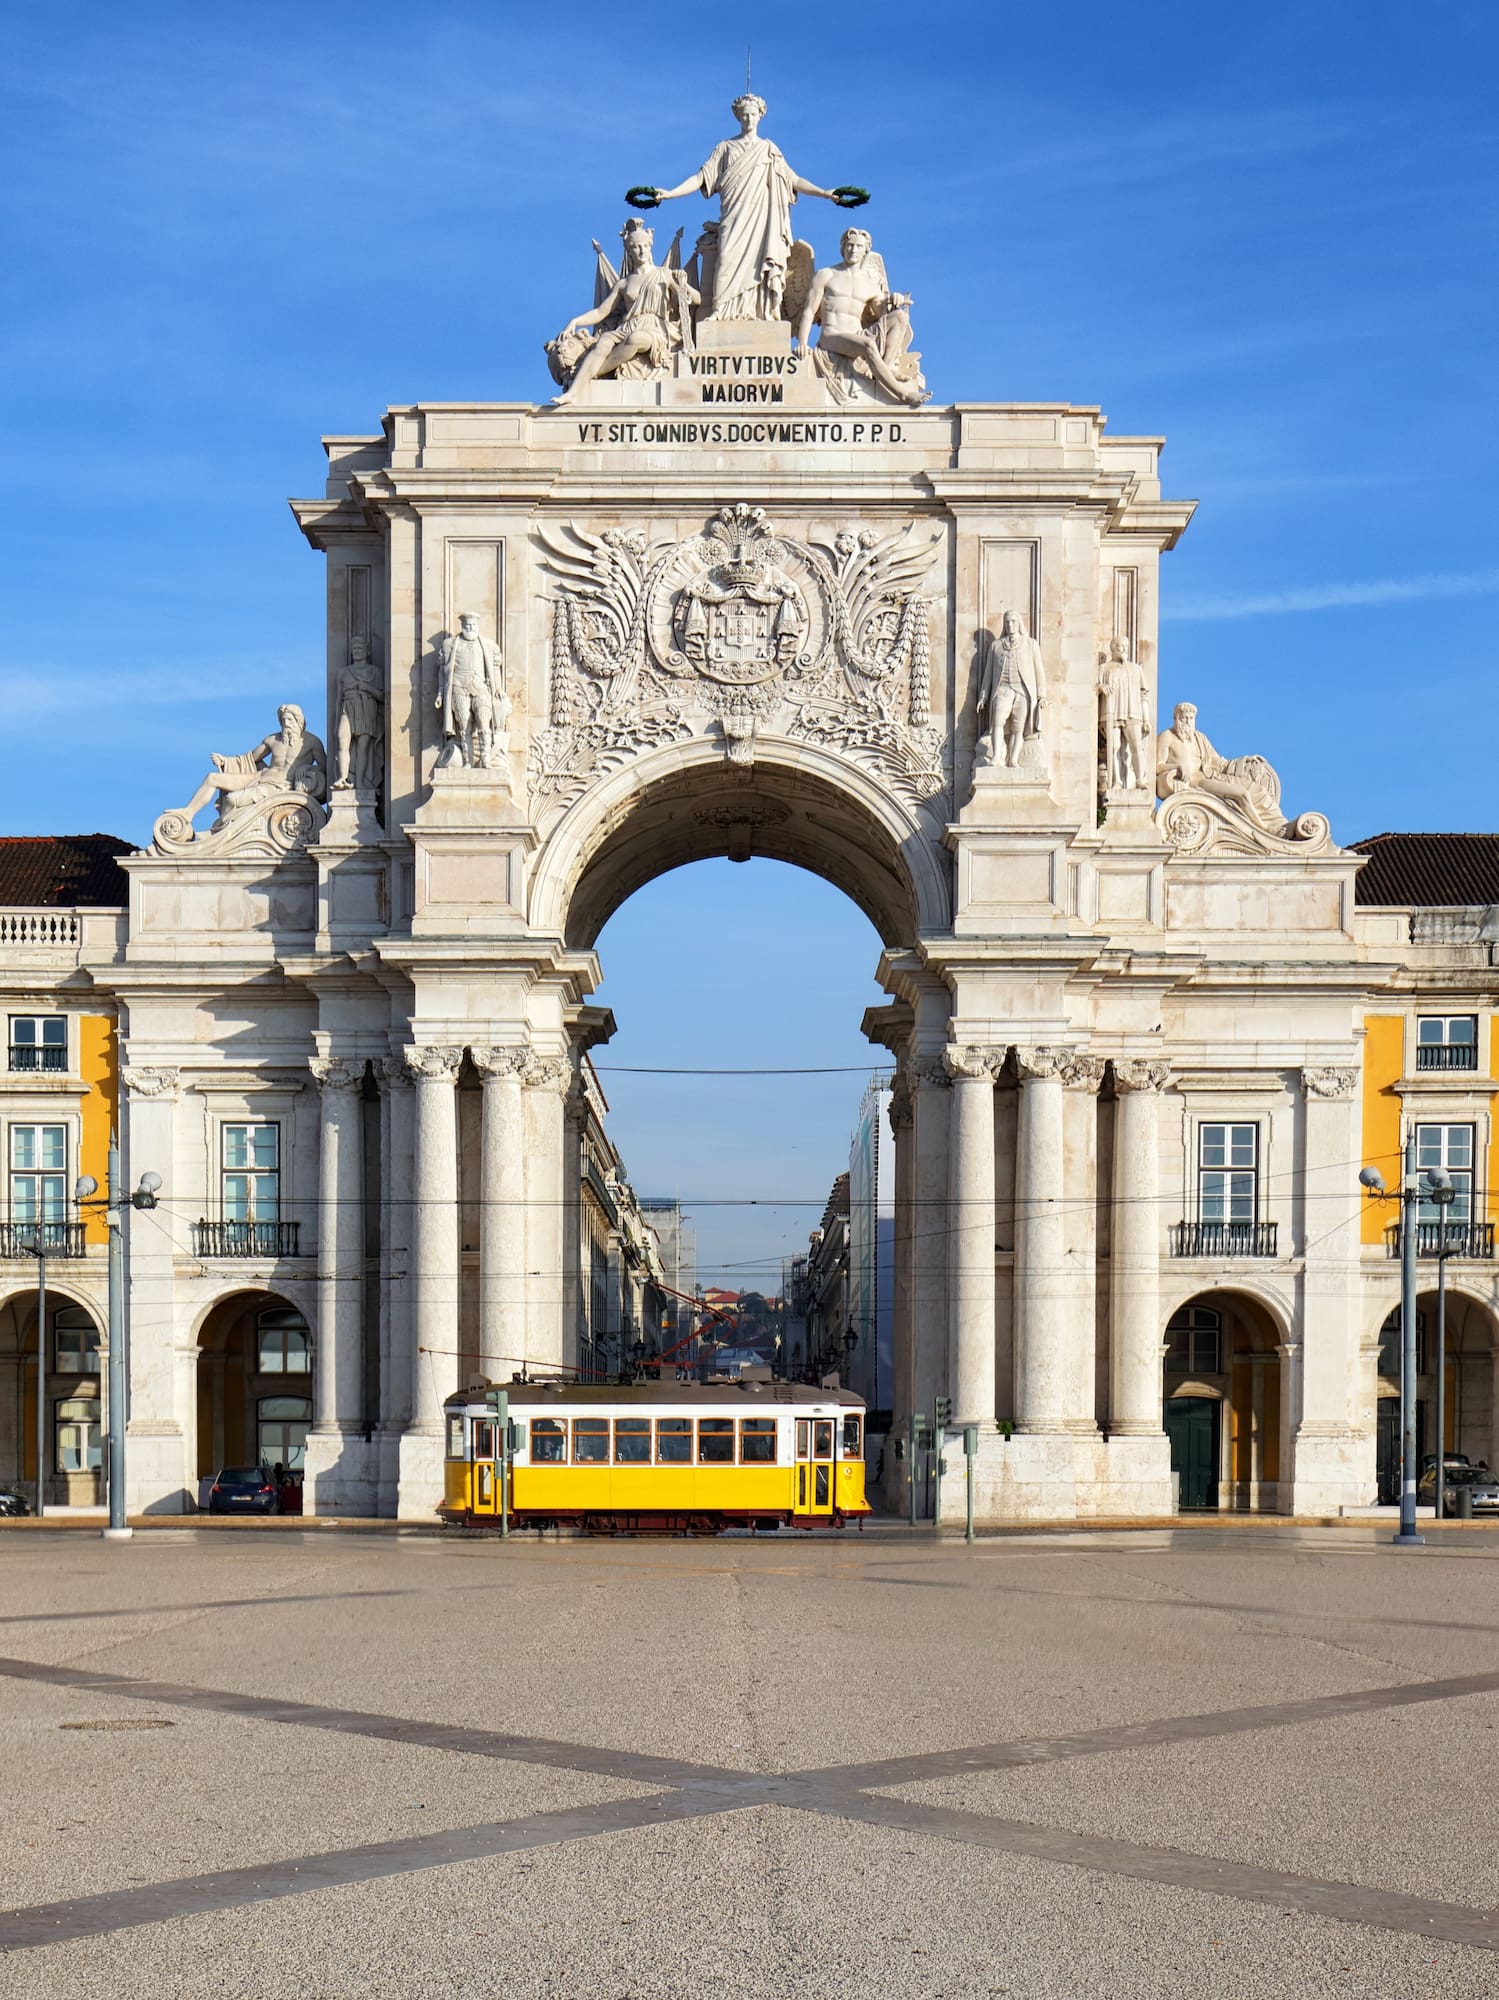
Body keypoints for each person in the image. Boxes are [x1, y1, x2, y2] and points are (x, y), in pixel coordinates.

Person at [643, 94, 841, 321]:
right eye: (744, 114)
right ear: (738, 116)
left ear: (760, 116)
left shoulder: (769, 149)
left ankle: (763, 312)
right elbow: (701, 178)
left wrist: (824, 193)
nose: (749, 118)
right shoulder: (725, 148)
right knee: (726, 260)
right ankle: (721, 311)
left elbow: (793, 180)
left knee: (761, 264)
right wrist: (670, 193)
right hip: (734, 217)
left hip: (762, 220)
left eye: (753, 114)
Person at [550, 219, 698, 404]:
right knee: (604, 341)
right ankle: (572, 393)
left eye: (645, 246)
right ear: (630, 251)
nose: (642, 251)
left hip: (655, 328)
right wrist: (575, 321)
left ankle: (588, 374)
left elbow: (696, 299)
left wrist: (684, 285)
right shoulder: (624, 283)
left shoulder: (664, 274)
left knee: (636, 340)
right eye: (637, 247)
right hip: (628, 326)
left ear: (650, 247)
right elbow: (600, 312)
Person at [796, 227, 923, 406]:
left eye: (858, 246)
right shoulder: (826, 275)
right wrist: (802, 343)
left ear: (866, 250)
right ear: (842, 247)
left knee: (900, 317)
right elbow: (809, 311)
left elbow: (882, 316)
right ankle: (902, 393)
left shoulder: (870, 284)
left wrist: (895, 301)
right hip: (832, 336)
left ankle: (884, 370)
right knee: (868, 344)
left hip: (856, 335)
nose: (853, 250)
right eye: (849, 245)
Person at [176, 705, 327, 827]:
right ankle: (188, 813)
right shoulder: (272, 740)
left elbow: (326, 768)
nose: (286, 724)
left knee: (231, 800)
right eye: (283, 720)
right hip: (260, 777)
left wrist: (307, 770)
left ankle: (221, 831)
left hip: (280, 786)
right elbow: (250, 758)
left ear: (298, 721)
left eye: (290, 720)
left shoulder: (311, 742)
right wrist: (225, 761)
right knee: (212, 778)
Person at [436, 613, 508, 769]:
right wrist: (440, 693)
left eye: (473, 626)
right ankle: (467, 761)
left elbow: (495, 668)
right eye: (467, 626)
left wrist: (498, 688)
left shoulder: (488, 645)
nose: (470, 629)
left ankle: (485, 759)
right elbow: (443, 671)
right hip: (459, 687)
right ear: (462, 626)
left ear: (477, 626)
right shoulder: (449, 645)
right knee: (464, 726)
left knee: (484, 722)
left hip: (480, 686)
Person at [975, 611, 1046, 768]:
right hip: (1003, 689)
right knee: (997, 720)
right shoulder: (996, 646)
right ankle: (996, 756)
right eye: (1007, 622)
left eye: (1013, 621)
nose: (1010, 625)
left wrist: (1042, 695)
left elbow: (1039, 671)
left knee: (1018, 727)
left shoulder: (1030, 644)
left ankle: (1013, 759)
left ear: (1019, 623)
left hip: (1022, 691)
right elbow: (988, 673)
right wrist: (983, 695)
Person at [332, 636, 384, 791]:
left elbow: (382, 696)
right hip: (347, 707)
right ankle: (342, 778)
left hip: (366, 707)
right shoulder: (343, 673)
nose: (356, 651)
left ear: (367, 651)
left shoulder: (375, 672)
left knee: (363, 746)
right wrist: (336, 723)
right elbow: (338, 700)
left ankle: (360, 782)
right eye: (354, 649)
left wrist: (367, 688)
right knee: (343, 740)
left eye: (360, 648)